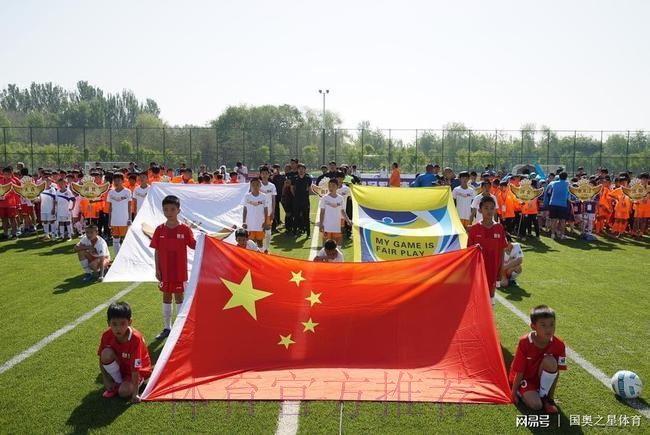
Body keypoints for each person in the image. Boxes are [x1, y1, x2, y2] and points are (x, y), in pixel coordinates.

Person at [150, 195, 197, 340]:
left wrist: (207, 240)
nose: (169, 212)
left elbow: (194, 245)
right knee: (166, 296)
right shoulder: (159, 229)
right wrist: (157, 269)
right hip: (165, 271)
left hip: (179, 271)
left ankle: (180, 328)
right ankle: (167, 327)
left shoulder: (185, 229)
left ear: (178, 210)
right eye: (166, 209)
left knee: (179, 297)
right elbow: (157, 251)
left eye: (172, 209)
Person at [509, 305, 566, 414]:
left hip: (540, 378)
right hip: (524, 378)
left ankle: (544, 396)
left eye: (552, 324)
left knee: (551, 361)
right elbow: (519, 371)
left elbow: (556, 371)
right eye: (543, 325)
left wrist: (551, 398)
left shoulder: (559, 344)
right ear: (533, 326)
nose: (549, 329)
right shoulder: (524, 342)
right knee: (536, 405)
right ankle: (522, 391)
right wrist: (513, 392)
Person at [98, 301, 152, 401]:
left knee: (123, 392)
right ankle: (118, 381)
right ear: (108, 323)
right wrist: (106, 379)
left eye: (122, 323)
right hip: (122, 366)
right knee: (105, 353)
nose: (118, 328)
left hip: (138, 370)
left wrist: (135, 393)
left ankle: (138, 381)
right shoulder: (106, 335)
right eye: (114, 324)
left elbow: (135, 368)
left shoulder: (135, 339)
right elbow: (101, 358)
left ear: (130, 322)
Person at [467, 196, 507, 308]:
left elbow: (502, 250)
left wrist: (501, 269)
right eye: (486, 208)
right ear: (480, 210)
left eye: (492, 208)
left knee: (491, 295)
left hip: (493, 268)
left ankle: (490, 312)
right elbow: (469, 252)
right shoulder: (474, 229)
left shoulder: (499, 228)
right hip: (478, 270)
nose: (489, 211)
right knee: (478, 295)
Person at [319, 179, 351, 246]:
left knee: (338, 246)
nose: (331, 188)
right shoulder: (324, 198)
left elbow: (343, 211)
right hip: (327, 226)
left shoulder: (341, 198)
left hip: (337, 226)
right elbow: (322, 212)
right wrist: (321, 224)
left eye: (333, 186)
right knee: (326, 247)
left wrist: (348, 220)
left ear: (337, 186)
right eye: (329, 186)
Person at [107, 173, 132, 255]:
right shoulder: (111, 193)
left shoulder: (127, 192)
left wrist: (130, 218)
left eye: (118, 180)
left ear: (123, 181)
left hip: (124, 220)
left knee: (125, 240)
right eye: (115, 180)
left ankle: (125, 256)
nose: (116, 182)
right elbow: (110, 208)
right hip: (114, 220)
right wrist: (109, 220)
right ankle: (117, 256)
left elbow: (129, 207)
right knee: (115, 239)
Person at [242, 177, 269, 250]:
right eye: (253, 184)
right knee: (250, 242)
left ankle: (261, 255)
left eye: (257, 184)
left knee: (260, 242)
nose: (255, 186)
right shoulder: (247, 196)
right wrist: (244, 222)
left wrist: (266, 222)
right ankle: (251, 256)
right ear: (250, 186)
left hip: (260, 223)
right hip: (250, 224)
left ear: (260, 185)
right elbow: (245, 209)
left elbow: (266, 210)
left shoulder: (264, 196)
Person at [548, 171, 570, 240]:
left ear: (559, 177)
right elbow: (569, 195)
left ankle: (552, 234)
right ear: (566, 177)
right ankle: (562, 235)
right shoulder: (568, 184)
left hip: (553, 203)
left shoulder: (553, 183)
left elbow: (549, 192)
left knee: (553, 220)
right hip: (563, 204)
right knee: (563, 221)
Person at [291, 164, 312, 236]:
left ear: (305, 170)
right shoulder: (294, 178)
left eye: (302, 169)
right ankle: (294, 232)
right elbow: (292, 188)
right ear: (297, 170)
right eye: (299, 169)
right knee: (296, 216)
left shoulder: (308, 178)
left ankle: (308, 234)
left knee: (306, 217)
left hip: (305, 201)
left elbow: (309, 189)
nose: (301, 170)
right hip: (296, 201)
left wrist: (306, 195)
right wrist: (296, 196)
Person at [259, 166, 277, 252]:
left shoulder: (272, 186)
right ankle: (261, 249)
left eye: (266, 173)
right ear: (260, 175)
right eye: (263, 173)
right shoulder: (257, 185)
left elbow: (273, 199)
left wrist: (273, 211)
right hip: (258, 212)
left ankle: (267, 249)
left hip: (269, 212)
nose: (264, 175)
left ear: (269, 175)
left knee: (268, 232)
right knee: (260, 231)